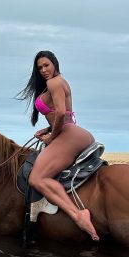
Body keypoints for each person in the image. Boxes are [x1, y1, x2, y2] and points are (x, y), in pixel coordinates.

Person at [17, 51, 99, 241]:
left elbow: (61, 113)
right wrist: (47, 129)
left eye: (47, 65)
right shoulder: (58, 82)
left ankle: (79, 215)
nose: (44, 70)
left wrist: (52, 138)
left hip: (68, 135)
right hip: (74, 133)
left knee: (37, 178)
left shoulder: (54, 83)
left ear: (54, 63)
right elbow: (63, 114)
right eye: (40, 67)